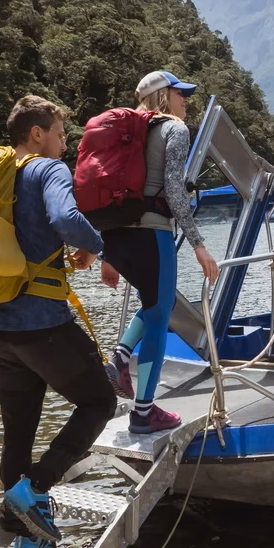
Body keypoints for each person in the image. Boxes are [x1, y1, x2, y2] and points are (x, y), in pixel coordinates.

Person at [0, 94, 117, 548]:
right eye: (60, 134)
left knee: (18, 432)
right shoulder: (46, 170)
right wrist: (95, 247)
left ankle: (26, 541)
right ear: (36, 134)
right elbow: (65, 218)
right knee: (100, 401)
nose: (65, 143)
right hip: (42, 324)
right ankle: (35, 490)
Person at [87, 70, 219, 434]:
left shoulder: (128, 133)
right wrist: (199, 245)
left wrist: (108, 255)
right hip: (152, 235)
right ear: (163, 97)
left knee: (154, 306)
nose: (186, 100)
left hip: (118, 236)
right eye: (180, 93)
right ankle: (144, 413)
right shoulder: (174, 130)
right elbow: (175, 192)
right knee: (161, 318)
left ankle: (119, 361)